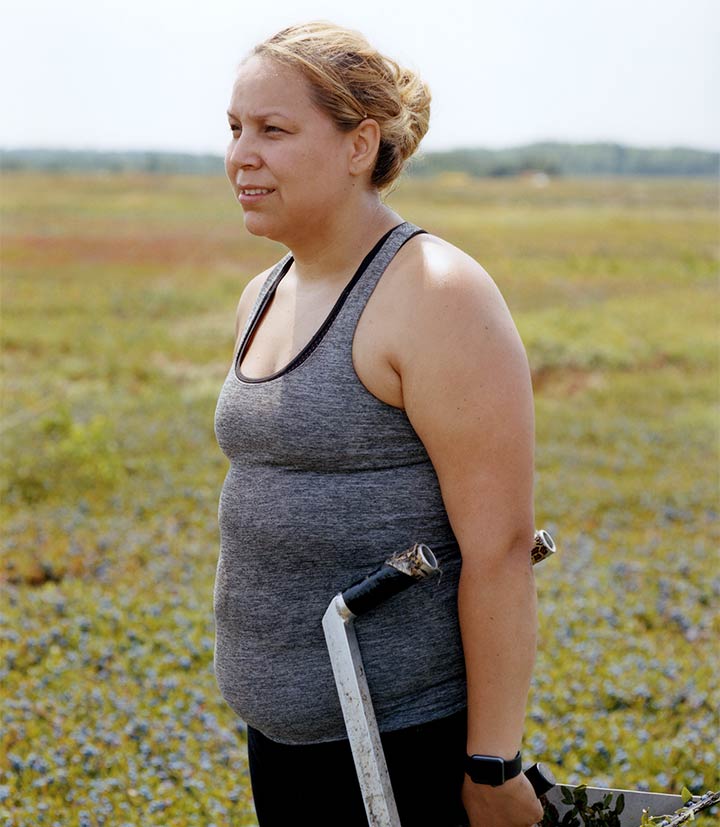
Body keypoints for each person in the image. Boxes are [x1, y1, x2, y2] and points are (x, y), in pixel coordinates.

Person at [213, 21, 541, 827]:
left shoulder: (435, 292)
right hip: (284, 739)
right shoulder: (263, 292)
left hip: (402, 742)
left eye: (273, 130)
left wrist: (493, 765)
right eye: (234, 129)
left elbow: (500, 547)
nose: (241, 156)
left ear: (359, 145)